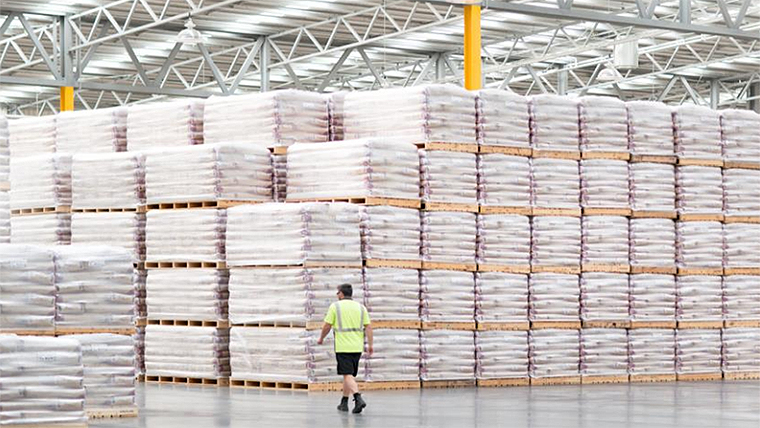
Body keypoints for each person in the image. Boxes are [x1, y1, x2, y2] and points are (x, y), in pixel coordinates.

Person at [317, 283, 373, 414]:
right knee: (349, 375)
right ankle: (344, 402)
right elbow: (368, 327)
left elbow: (327, 326)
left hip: (343, 346)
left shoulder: (335, 307)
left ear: (341, 293)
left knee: (347, 374)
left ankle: (358, 398)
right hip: (357, 347)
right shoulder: (361, 307)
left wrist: (321, 338)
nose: (337, 295)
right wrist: (370, 344)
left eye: (337, 293)